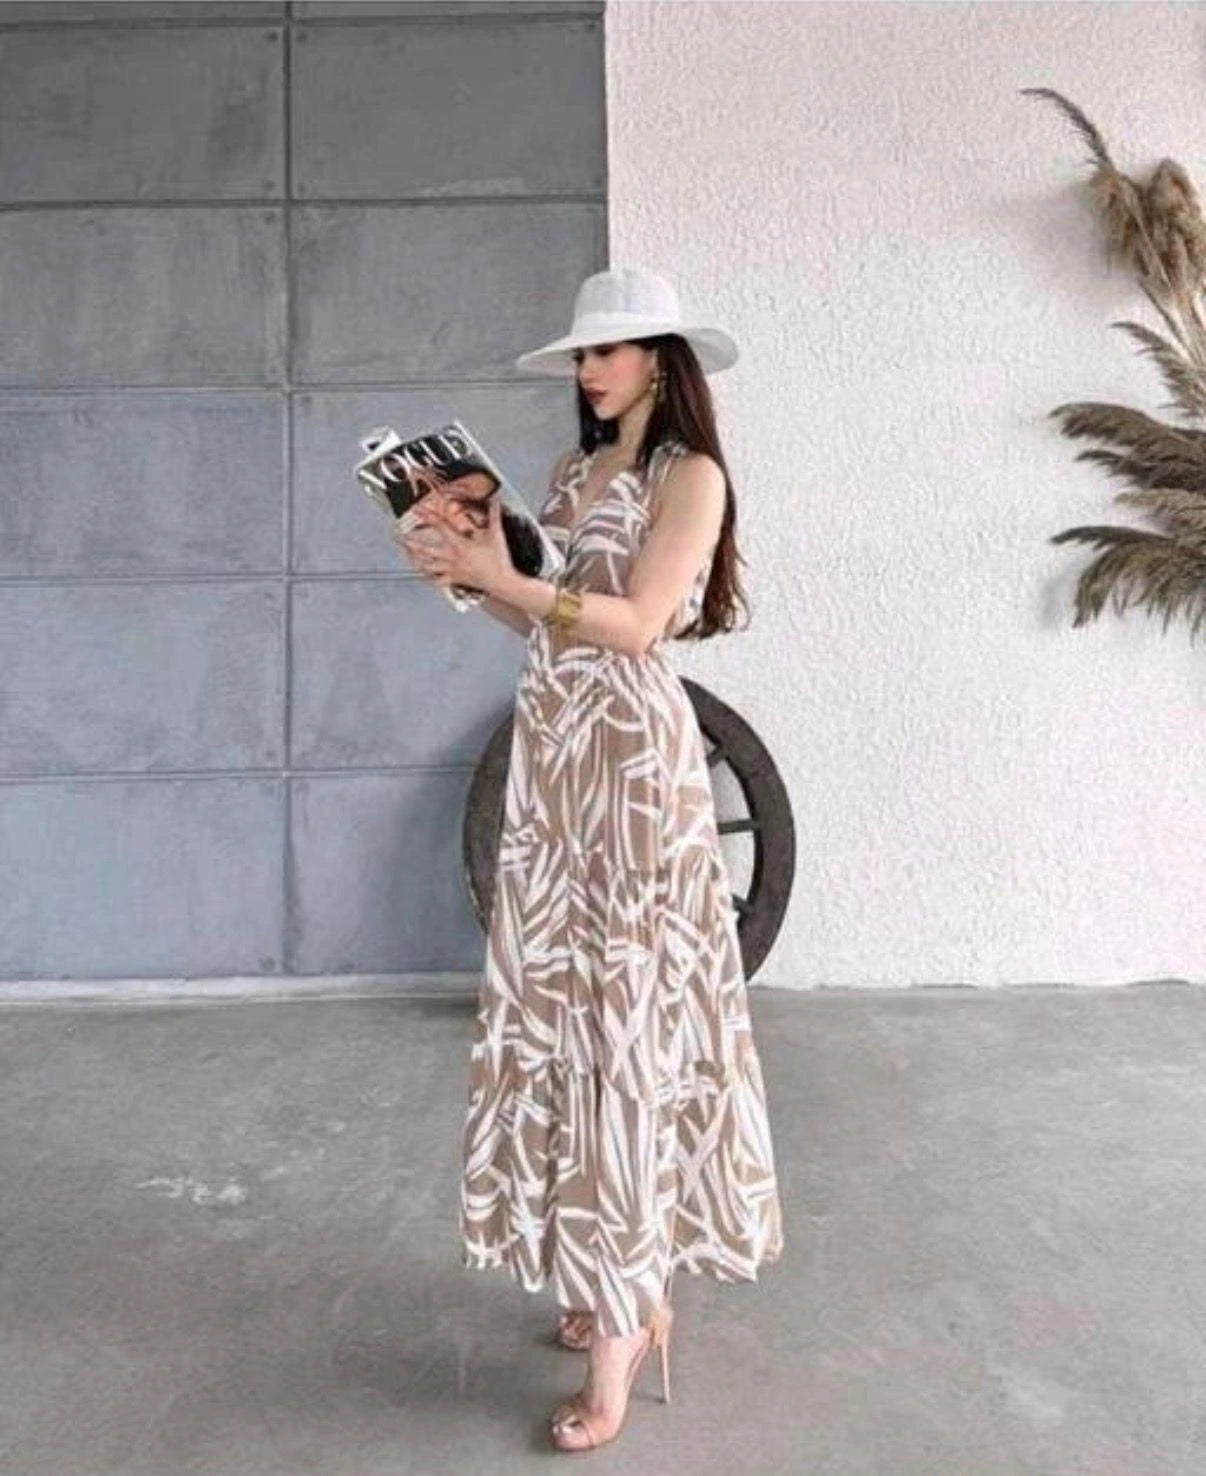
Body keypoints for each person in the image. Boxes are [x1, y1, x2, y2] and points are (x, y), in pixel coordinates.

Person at [395, 265, 784, 1453]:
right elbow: (544, 614)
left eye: (607, 351)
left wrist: (508, 577)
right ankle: (611, 1275)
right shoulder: (571, 476)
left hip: (629, 763)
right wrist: (470, 575)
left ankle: (628, 1322)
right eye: (580, 353)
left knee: (625, 1022)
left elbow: (637, 621)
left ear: (662, 359)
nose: (587, 369)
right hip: (557, 757)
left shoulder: (691, 476)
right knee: (565, 1015)